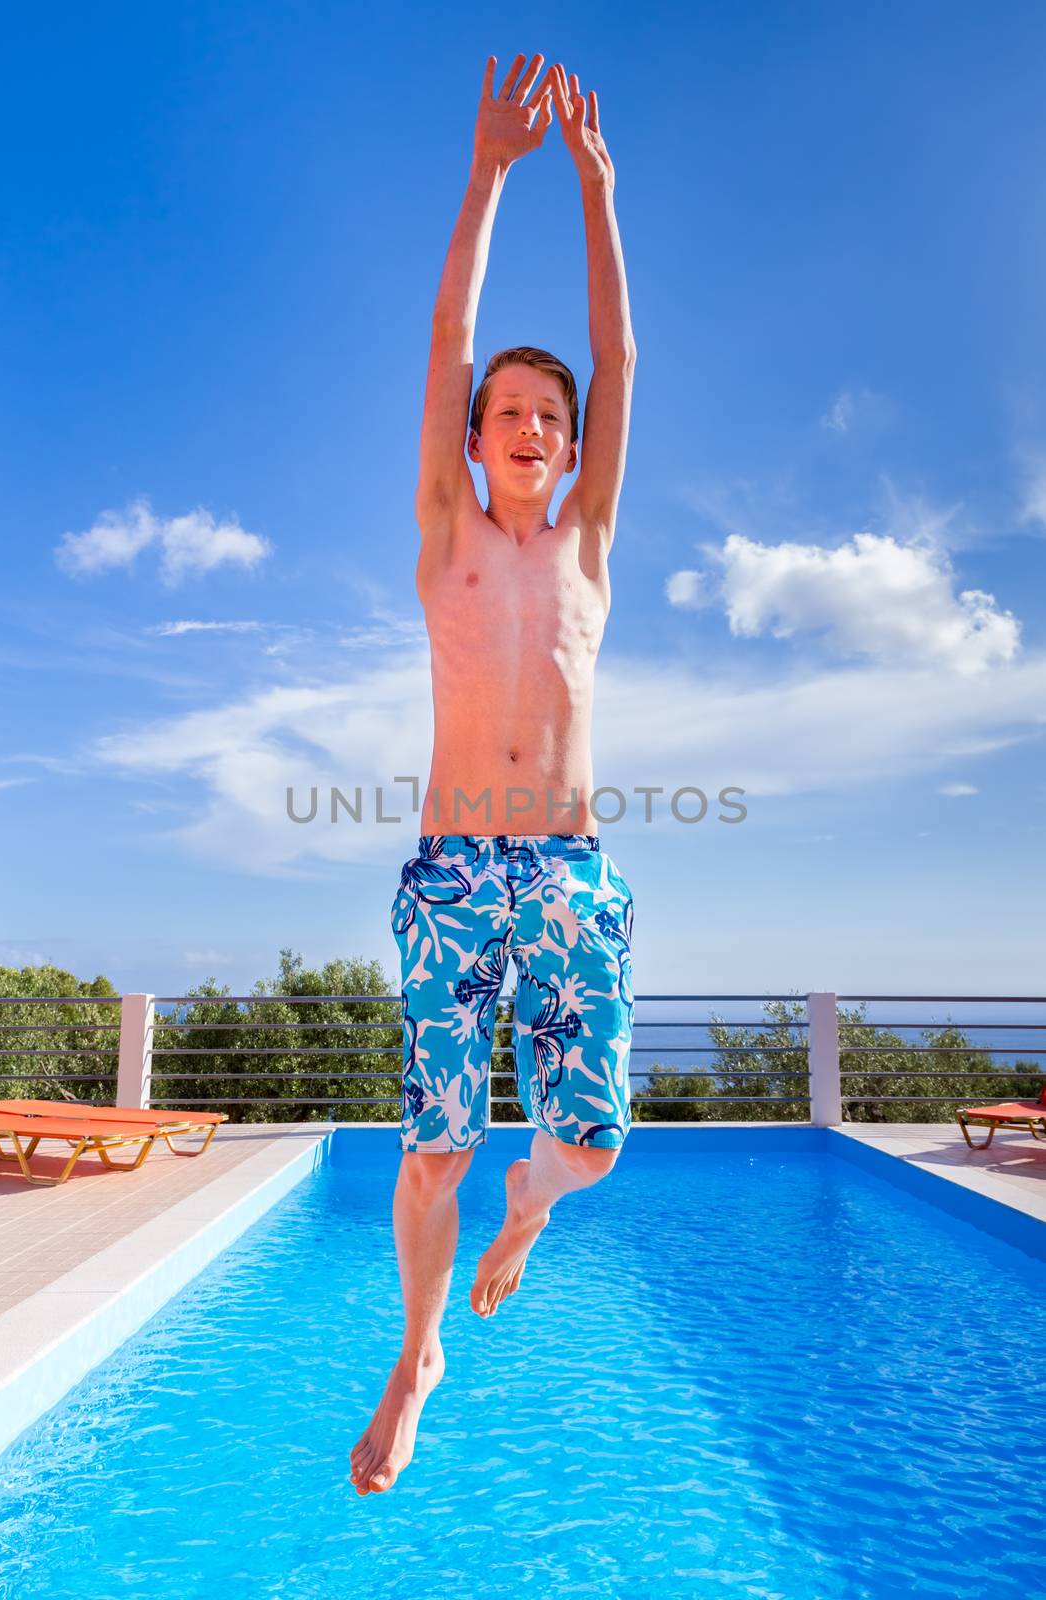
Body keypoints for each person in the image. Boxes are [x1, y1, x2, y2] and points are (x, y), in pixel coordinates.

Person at [350, 51, 637, 1497]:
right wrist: (491, 173)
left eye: (553, 417)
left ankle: (534, 1211)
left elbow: (624, 360)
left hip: (572, 873)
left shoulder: (586, 551)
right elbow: (449, 343)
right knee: (432, 1151)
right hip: (457, 872)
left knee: (587, 1146)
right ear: (474, 440)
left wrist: (595, 187)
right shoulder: (445, 538)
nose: (530, 426)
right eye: (509, 413)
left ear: (576, 451)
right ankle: (416, 1357)